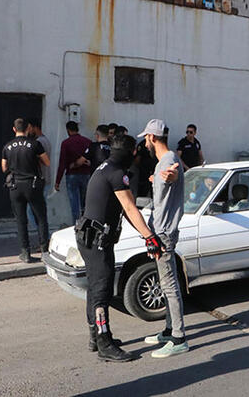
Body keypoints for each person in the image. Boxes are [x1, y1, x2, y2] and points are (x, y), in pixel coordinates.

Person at [76, 134, 164, 362]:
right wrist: (150, 237)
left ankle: (97, 336)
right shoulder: (117, 173)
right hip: (97, 241)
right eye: (135, 152)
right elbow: (129, 207)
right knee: (101, 290)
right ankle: (104, 344)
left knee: (95, 287)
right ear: (130, 153)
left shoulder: (104, 167)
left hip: (90, 236)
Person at [138, 119, 190, 358]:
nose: (145, 142)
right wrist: (156, 179)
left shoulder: (169, 162)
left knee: (169, 286)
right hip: (162, 232)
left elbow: (172, 176)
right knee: (167, 284)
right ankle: (169, 330)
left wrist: (165, 177)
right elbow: (165, 181)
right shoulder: (165, 162)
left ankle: (179, 338)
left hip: (164, 234)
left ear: (152, 137)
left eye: (146, 138)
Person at [1, 118, 51, 263]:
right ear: (28, 129)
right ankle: (44, 250)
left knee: (21, 220)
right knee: (41, 218)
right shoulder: (35, 144)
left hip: (15, 186)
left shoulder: (7, 146)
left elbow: (4, 168)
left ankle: (25, 252)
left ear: (14, 129)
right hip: (32, 185)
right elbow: (47, 162)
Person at [55, 121, 92, 224]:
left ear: (68, 130)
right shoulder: (87, 141)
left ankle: (75, 226)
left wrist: (57, 181)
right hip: (86, 174)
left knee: (74, 204)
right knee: (85, 203)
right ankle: (86, 225)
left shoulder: (66, 143)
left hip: (72, 175)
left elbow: (62, 163)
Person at [25, 118, 52, 231]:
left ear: (34, 127)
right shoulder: (45, 140)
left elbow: (42, 161)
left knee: (32, 211)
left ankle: (43, 236)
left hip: (40, 180)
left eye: (29, 128)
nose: (28, 130)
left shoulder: (39, 142)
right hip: (44, 179)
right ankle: (43, 236)